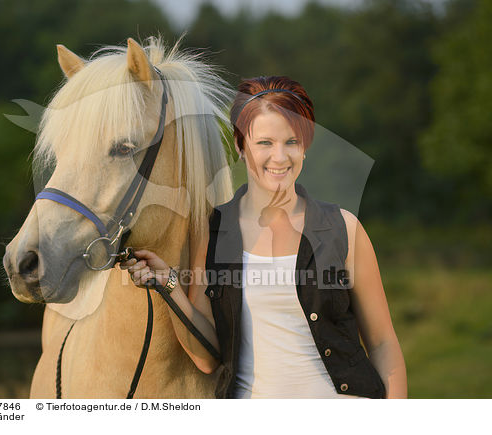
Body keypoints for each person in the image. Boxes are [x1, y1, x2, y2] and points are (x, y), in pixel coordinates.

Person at [120, 76, 407, 399]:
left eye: (292, 142)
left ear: (305, 147)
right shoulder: (212, 231)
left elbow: (383, 343)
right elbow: (205, 359)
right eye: (265, 143)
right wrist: (168, 285)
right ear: (241, 146)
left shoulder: (345, 228)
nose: (280, 157)